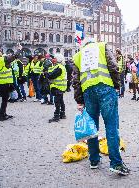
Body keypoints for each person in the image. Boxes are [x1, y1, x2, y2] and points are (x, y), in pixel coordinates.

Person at [72, 38, 130, 175]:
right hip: (105, 88)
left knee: (92, 127)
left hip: (88, 92)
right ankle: (116, 163)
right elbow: (113, 67)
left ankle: (94, 160)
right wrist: (116, 86)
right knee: (111, 125)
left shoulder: (78, 55)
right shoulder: (102, 47)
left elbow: (76, 80)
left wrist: (79, 100)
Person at [44, 53, 67, 123]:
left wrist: (45, 74)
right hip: (61, 86)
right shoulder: (61, 66)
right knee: (61, 100)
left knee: (57, 101)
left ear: (58, 59)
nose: (53, 59)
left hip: (58, 86)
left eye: (55, 58)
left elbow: (52, 75)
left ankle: (56, 116)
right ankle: (62, 114)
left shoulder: (59, 67)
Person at [0, 49, 16, 121]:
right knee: (5, 100)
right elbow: (14, 57)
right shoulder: (2, 59)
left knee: (5, 99)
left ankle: (4, 114)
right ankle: (2, 116)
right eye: (0, 51)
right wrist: (19, 49)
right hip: (4, 83)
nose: (1, 52)